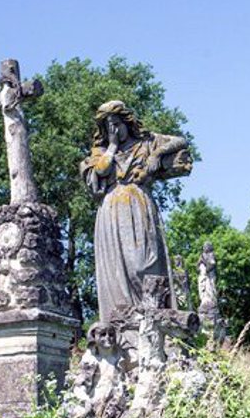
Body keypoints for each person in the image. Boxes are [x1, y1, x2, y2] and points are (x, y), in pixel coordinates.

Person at [80, 100, 191, 319]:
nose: (113, 130)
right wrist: (111, 146)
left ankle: (153, 316)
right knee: (115, 270)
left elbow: (181, 141)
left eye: (116, 124)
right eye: (108, 127)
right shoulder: (100, 152)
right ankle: (121, 321)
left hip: (139, 205)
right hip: (111, 209)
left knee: (143, 261)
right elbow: (100, 172)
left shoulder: (146, 143)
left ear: (126, 122)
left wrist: (156, 155)